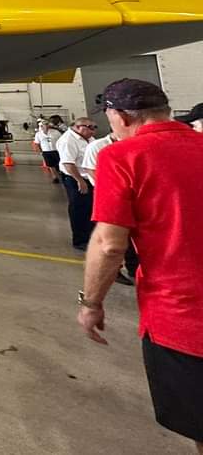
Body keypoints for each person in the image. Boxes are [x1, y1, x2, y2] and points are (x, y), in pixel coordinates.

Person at [78, 79, 203, 453]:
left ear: (120, 115)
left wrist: (90, 303)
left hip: (182, 315)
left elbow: (109, 244)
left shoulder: (122, 156)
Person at [56, 117, 98, 250]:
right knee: (79, 209)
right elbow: (68, 163)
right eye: (90, 127)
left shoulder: (89, 139)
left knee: (90, 208)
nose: (93, 131)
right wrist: (80, 180)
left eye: (94, 127)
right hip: (75, 178)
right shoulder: (68, 140)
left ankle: (91, 236)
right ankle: (80, 240)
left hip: (88, 177)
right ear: (79, 127)